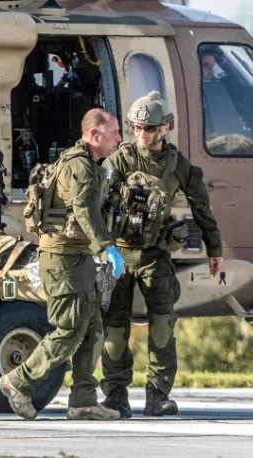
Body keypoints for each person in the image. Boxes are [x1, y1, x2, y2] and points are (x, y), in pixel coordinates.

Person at [100, 91, 224, 418]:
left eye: (150, 128)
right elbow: (95, 202)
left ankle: (157, 395)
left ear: (165, 127)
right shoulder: (120, 160)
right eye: (138, 127)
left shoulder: (178, 165)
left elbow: (201, 207)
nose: (143, 133)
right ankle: (115, 395)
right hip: (118, 255)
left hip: (155, 255)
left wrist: (215, 248)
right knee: (113, 327)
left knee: (162, 325)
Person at [0, 108, 125, 421]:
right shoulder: (79, 165)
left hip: (77, 257)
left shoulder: (87, 163)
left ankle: (83, 400)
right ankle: (19, 381)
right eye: (114, 133)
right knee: (69, 329)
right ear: (94, 134)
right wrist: (106, 246)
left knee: (91, 328)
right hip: (63, 260)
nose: (120, 139)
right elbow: (84, 209)